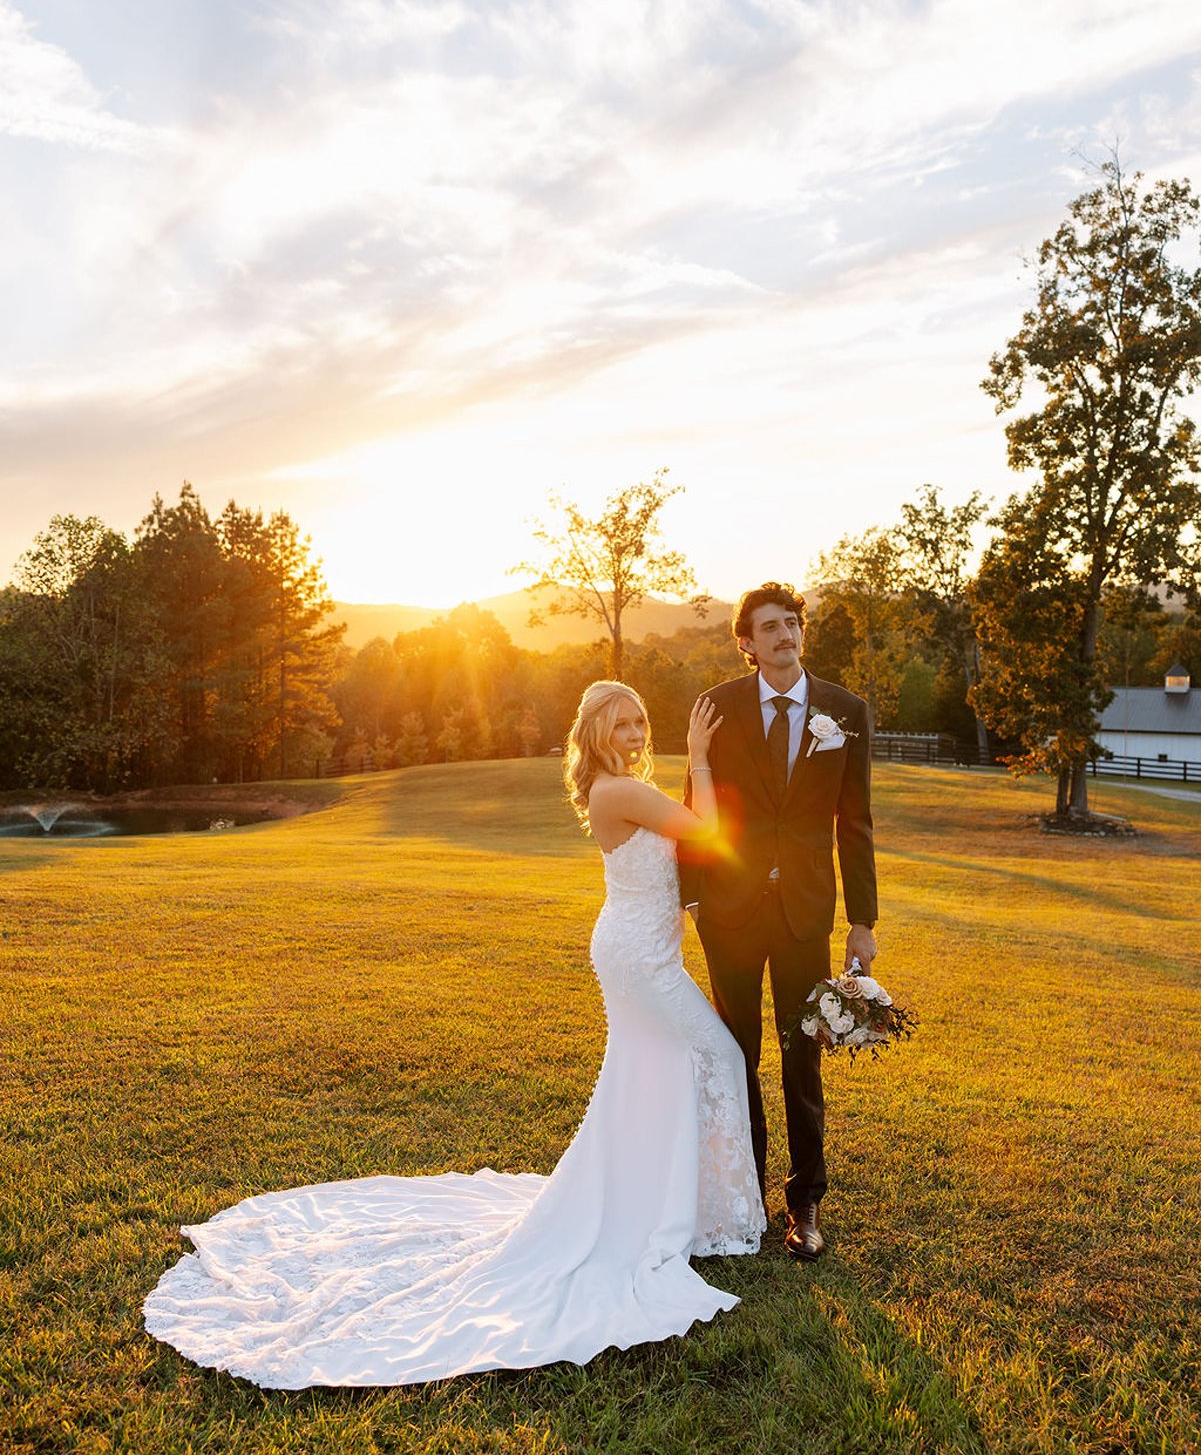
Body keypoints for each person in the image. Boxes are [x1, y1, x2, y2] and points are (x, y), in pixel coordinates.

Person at [142, 683, 763, 1388]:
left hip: (639, 945)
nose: (632, 731)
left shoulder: (624, 789)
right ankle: (707, 1214)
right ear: (593, 733)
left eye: (639, 721)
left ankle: (669, 1200)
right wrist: (705, 757)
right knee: (716, 1053)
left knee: (653, 1071)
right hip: (639, 956)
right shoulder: (617, 791)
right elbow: (707, 832)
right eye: (619, 723)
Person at [678, 582, 878, 1262]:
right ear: (746, 643)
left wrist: (862, 920)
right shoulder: (717, 707)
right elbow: (695, 805)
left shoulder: (845, 713)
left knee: (802, 1058)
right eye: (768, 627)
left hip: (804, 914)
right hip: (728, 913)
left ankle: (804, 1203)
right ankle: (744, 1197)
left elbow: (855, 823)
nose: (783, 635)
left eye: (790, 623)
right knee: (737, 1056)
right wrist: (689, 901)